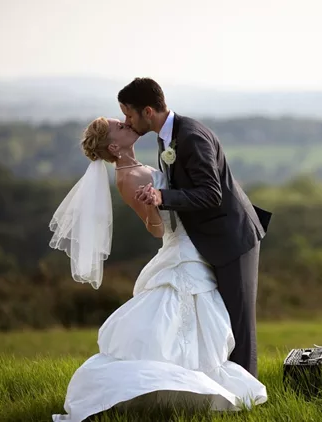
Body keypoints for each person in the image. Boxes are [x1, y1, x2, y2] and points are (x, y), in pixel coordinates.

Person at [48, 117, 267, 422]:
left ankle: (197, 379)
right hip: (182, 246)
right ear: (114, 146)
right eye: (120, 127)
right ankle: (182, 381)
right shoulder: (128, 178)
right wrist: (154, 206)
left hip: (193, 240)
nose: (127, 125)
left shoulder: (142, 164)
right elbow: (155, 229)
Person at [119, 77, 271, 379]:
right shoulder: (167, 137)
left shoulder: (190, 136)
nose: (127, 121)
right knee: (222, 321)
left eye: (129, 114)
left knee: (239, 323)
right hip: (209, 239)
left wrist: (163, 196)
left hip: (232, 237)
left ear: (147, 111)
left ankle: (248, 396)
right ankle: (227, 389)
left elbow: (211, 194)